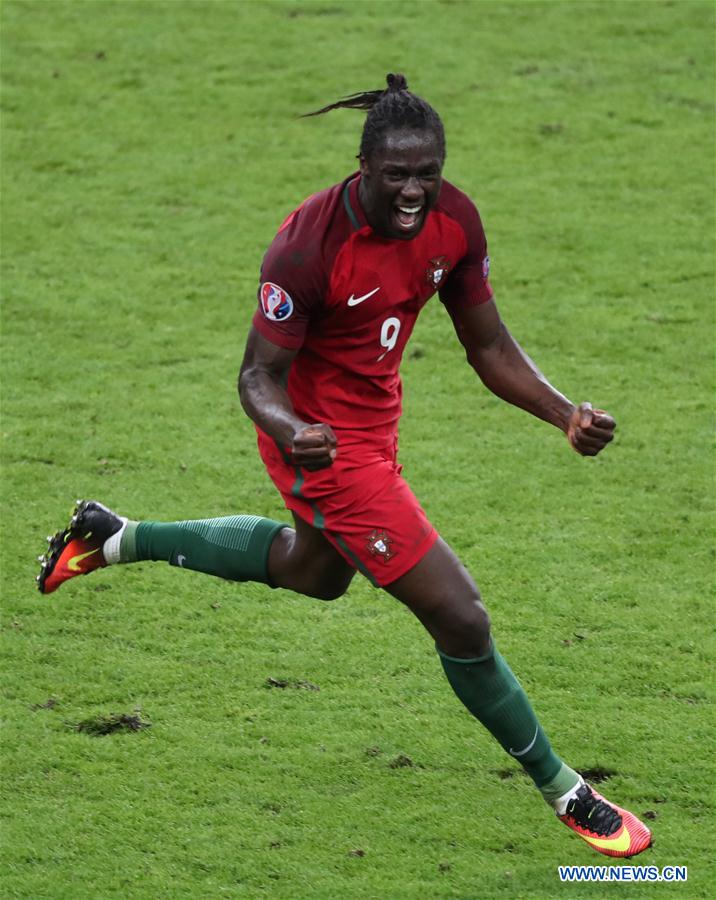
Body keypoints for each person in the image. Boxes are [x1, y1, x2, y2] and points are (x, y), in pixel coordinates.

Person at [37, 74, 651, 859]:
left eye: (426, 172)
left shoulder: (453, 220)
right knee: (461, 616)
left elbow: (490, 347)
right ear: (363, 167)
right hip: (319, 442)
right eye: (397, 174)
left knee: (313, 573)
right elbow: (256, 377)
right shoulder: (307, 248)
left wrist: (564, 412)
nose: (413, 190)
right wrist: (294, 429)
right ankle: (567, 789)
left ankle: (113, 536)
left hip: (375, 426)